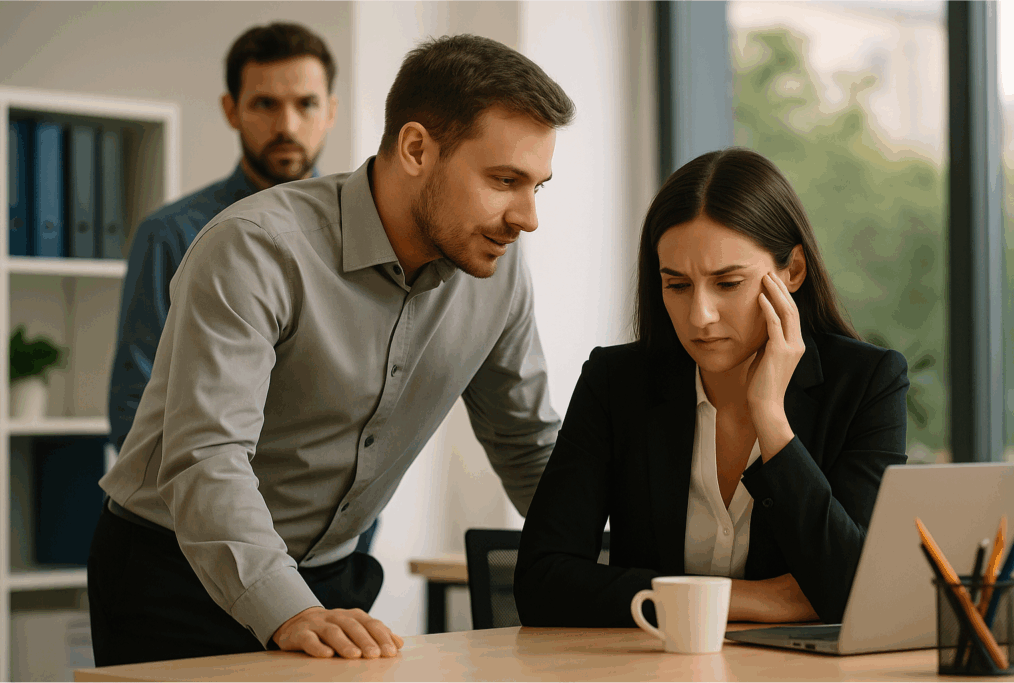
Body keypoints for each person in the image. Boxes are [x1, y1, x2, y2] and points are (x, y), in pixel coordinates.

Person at [89, 33, 573, 667]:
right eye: (504, 180)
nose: (527, 217)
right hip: (172, 576)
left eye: (538, 185)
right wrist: (286, 606)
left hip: (330, 581)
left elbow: (529, 445)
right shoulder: (256, 247)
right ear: (416, 148)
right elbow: (208, 453)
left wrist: (624, 580)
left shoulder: (498, 273)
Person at [513, 147, 910, 627]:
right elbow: (539, 583)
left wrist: (770, 417)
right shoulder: (616, 383)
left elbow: (858, 593)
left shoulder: (867, 384)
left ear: (793, 272)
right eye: (677, 286)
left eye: (728, 283)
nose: (699, 316)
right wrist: (757, 600)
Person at [107, 22, 381, 554]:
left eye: (305, 103)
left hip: (328, 552)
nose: (287, 124)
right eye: (264, 105)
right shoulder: (173, 234)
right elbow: (135, 405)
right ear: (232, 110)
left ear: (331, 110)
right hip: (192, 545)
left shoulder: (368, 236)